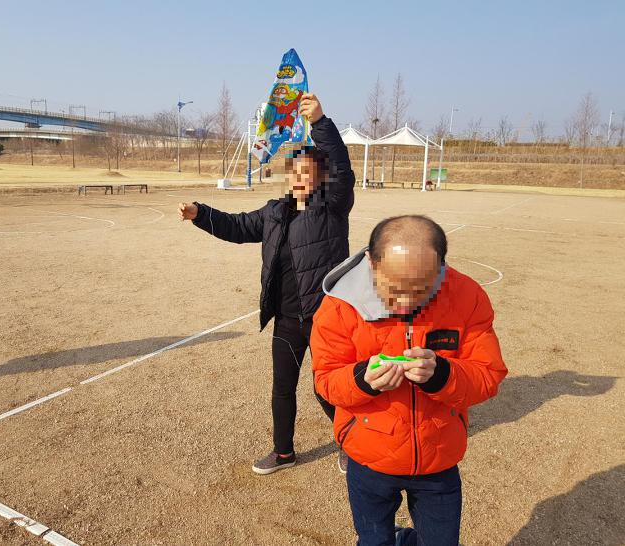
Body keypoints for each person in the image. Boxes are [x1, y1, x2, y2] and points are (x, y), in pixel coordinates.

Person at [178, 93, 355, 475]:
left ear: (321, 177)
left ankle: (351, 442)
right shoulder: (275, 212)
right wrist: (200, 214)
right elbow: (238, 226)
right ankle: (283, 452)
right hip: (287, 319)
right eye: (296, 172)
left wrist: (320, 122)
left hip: (325, 317)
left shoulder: (332, 207)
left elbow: (342, 167)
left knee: (327, 388)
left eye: (309, 172)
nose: (300, 177)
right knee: (282, 388)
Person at [311, 215, 507, 546]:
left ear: (441, 268)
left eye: (421, 289)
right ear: (372, 263)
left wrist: (442, 375)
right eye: (394, 288)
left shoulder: (467, 296)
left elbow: (488, 374)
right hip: (368, 457)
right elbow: (326, 381)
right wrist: (363, 379)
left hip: (439, 456)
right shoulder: (339, 306)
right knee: (374, 541)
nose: (406, 302)